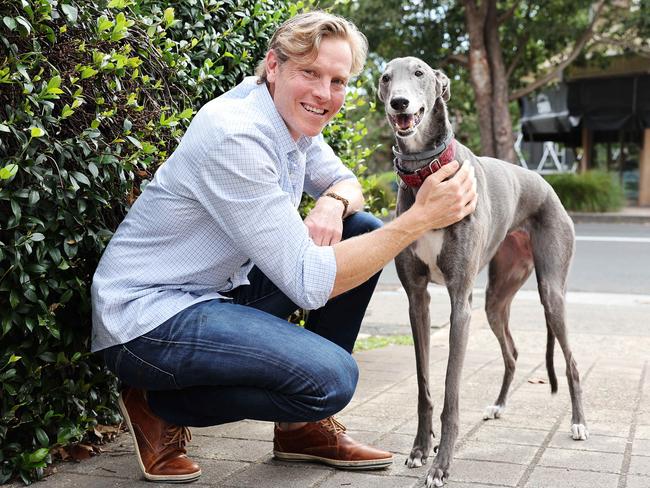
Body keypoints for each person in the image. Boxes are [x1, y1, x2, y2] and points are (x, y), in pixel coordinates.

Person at [91, 10, 477, 483]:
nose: (324, 93)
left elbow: (345, 181)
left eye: (337, 81)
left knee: (360, 227)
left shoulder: (291, 118)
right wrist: (419, 219)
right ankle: (155, 401)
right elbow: (311, 283)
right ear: (274, 66)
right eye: (309, 73)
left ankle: (300, 428)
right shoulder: (236, 134)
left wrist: (332, 204)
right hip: (148, 317)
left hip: (212, 290)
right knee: (332, 379)